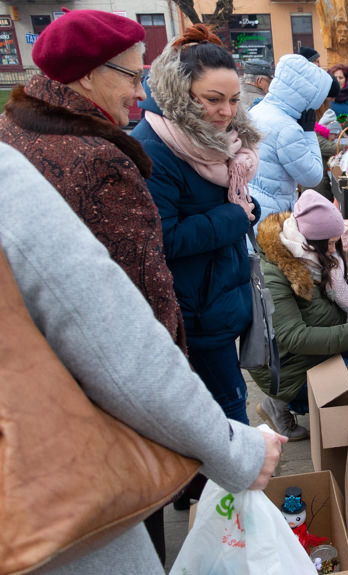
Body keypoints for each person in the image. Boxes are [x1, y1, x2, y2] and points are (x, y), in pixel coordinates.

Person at [0, 141, 287, 574]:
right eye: (132, 75)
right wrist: (237, 454)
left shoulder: (22, 140)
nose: (136, 88)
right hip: (50, 509)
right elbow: (119, 350)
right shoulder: (27, 177)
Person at [0, 9, 186, 560]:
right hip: (106, 390)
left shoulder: (14, 129)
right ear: (86, 75)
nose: (140, 91)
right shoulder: (99, 158)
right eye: (132, 76)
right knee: (130, 515)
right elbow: (138, 297)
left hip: (43, 378)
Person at [131, 24, 261, 426]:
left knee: (226, 405)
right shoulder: (156, 149)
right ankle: (234, 488)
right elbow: (163, 238)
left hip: (219, 297)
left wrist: (244, 205)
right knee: (228, 414)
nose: (226, 112)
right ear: (179, 95)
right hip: (195, 311)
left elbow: (223, 202)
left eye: (234, 101)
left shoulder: (215, 140)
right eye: (213, 100)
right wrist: (237, 215)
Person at [250, 191, 348, 439]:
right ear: (311, 239)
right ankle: (283, 403)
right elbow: (295, 338)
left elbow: (334, 303)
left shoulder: (308, 254)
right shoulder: (275, 274)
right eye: (330, 244)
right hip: (287, 367)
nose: (334, 250)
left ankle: (333, 400)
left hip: (309, 348)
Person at [248, 54, 334, 219]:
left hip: (253, 201)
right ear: (309, 96)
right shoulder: (287, 128)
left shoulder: (259, 109)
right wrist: (309, 132)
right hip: (272, 212)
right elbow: (312, 176)